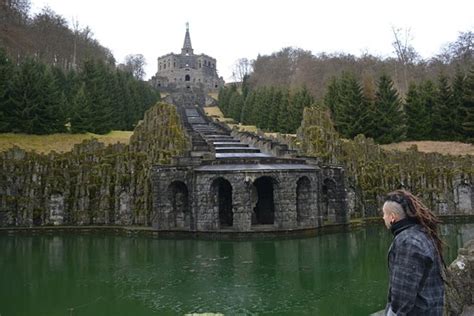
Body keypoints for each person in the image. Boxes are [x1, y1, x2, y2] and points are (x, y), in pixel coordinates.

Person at [382, 189, 445, 316]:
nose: (383, 217)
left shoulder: (408, 242)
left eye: (384, 214)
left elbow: (403, 293)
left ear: (392, 217)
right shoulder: (421, 232)